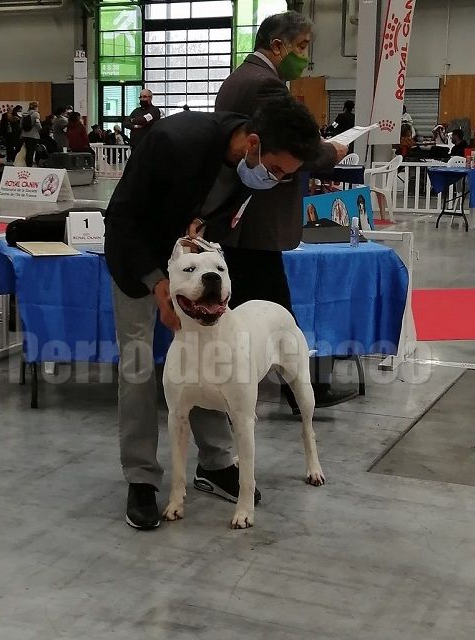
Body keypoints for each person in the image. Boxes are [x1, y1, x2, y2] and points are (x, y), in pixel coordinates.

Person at [104, 96, 321, 530]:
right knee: (138, 365)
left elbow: (219, 217)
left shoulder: (248, 167)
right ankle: (143, 478)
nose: (274, 180)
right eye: (275, 171)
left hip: (190, 267)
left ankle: (218, 461)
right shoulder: (172, 141)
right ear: (253, 144)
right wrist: (159, 284)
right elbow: (122, 220)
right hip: (137, 261)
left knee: (212, 360)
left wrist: (199, 241)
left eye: (285, 177)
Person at [214, 10, 352, 409]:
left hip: (241, 216)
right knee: (278, 314)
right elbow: (288, 147)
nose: (306, 58)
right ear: (278, 45)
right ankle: (302, 393)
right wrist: (331, 151)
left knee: (249, 311)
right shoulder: (267, 86)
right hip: (257, 216)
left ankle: (279, 388)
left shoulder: (236, 79)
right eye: (303, 47)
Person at [20, 101, 41, 167]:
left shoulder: (24, 114)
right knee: (31, 151)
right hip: (33, 135)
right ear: (36, 107)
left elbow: (20, 125)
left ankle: (27, 164)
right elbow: (38, 125)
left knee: (27, 150)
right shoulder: (36, 114)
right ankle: (30, 165)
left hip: (24, 135)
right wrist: (40, 128)